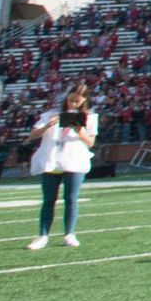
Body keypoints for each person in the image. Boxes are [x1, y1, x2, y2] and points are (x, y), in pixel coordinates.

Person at [26, 85, 98, 250]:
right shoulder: (50, 115)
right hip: (52, 159)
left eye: (77, 101)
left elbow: (90, 143)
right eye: (71, 100)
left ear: (84, 101)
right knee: (49, 199)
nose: (73, 104)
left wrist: (80, 131)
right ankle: (43, 235)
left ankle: (69, 234)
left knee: (71, 198)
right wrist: (48, 125)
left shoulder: (90, 117)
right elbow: (32, 136)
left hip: (74, 160)